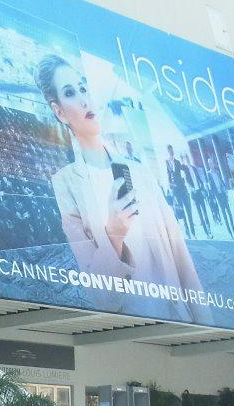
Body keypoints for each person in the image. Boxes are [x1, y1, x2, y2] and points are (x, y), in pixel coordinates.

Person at [34, 55, 206, 321]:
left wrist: (205, 324)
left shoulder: (139, 171)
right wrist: (114, 233)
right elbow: (101, 297)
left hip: (175, 321)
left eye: (83, 87)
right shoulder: (66, 183)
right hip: (127, 332)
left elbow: (181, 257)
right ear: (59, 111)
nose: (83, 99)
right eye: (70, 93)